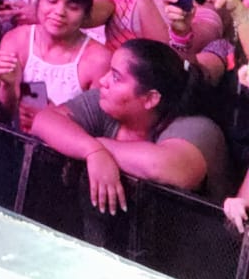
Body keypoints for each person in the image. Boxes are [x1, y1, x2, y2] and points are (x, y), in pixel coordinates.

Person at [31, 38, 230, 208]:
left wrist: (99, 147)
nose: (103, 81)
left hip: (193, 245)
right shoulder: (105, 102)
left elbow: (165, 167)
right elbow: (43, 120)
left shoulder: (198, 127)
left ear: (151, 98)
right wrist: (92, 151)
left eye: (116, 78)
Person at [0, 0, 110, 123]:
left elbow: (97, 126)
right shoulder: (16, 40)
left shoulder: (98, 60)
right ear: (38, 0)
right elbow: (5, 112)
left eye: (73, 7)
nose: (59, 12)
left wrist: (51, 116)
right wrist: (8, 85)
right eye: (52, 1)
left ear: (86, 13)